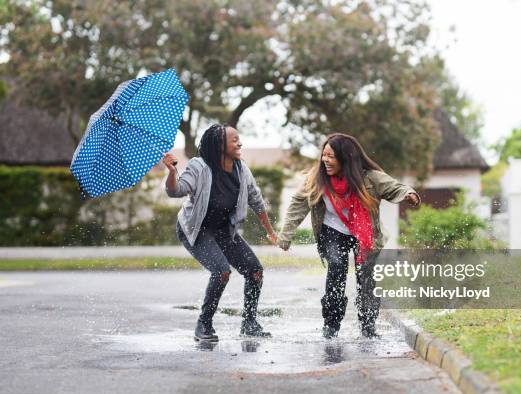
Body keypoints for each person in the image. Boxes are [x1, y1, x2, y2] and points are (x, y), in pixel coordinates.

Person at [278, 133, 420, 339]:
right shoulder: (317, 178)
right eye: (323, 155)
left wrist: (409, 195)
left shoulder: (369, 178)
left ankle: (368, 325)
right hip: (331, 230)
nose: (325, 160)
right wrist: (286, 234)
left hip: (363, 233)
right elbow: (298, 204)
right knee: (336, 267)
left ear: (346, 158)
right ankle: (331, 325)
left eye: (331, 156)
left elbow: (394, 187)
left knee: (366, 275)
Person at [163, 123, 278, 342]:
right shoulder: (199, 166)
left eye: (239, 139)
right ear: (220, 144)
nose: (240, 143)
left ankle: (249, 323)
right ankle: (203, 324)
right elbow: (175, 190)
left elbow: (256, 199)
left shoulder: (241, 169)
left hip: (225, 231)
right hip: (196, 230)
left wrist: (271, 233)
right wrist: (171, 172)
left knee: (255, 271)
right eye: (234, 140)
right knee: (221, 272)